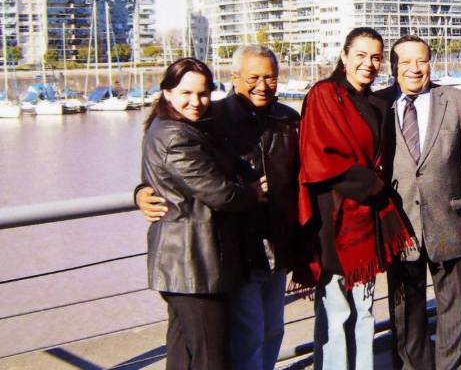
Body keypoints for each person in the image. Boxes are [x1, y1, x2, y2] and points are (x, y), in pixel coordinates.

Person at [137, 45, 300, 370]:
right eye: (253, 77)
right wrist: (141, 191)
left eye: (270, 77)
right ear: (234, 77)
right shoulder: (213, 119)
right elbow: (174, 169)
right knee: (244, 337)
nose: (262, 85)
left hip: (278, 242)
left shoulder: (289, 119)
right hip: (235, 249)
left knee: (273, 330)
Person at [294, 27, 414, 370]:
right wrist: (374, 186)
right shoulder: (324, 94)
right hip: (334, 220)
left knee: (363, 309)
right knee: (336, 310)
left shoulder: (374, 102)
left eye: (376, 57)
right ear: (344, 56)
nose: (369, 63)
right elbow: (321, 157)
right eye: (361, 55)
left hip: (366, 220)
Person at [381, 35, 461, 370]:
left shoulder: (455, 101)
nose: (415, 68)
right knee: (406, 312)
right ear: (393, 66)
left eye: (422, 60)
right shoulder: (379, 104)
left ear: (431, 63)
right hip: (399, 226)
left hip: (450, 221)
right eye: (406, 61)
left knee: (455, 309)